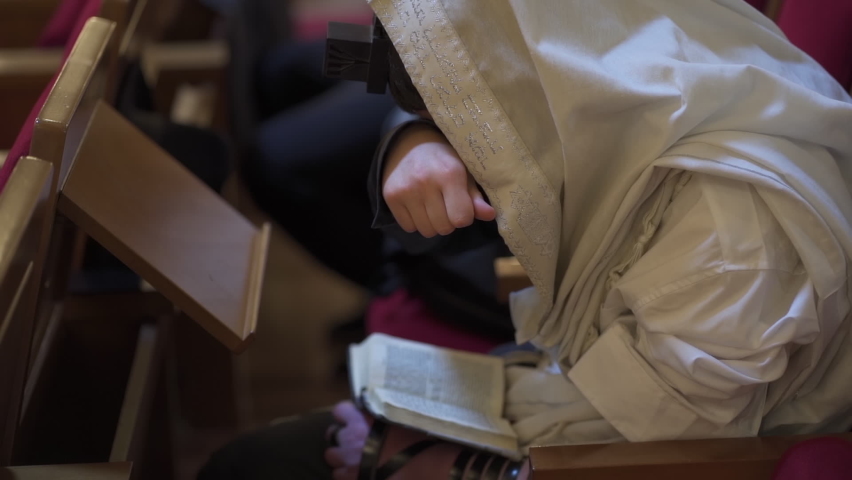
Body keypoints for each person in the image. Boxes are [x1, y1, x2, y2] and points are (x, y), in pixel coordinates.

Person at [199, 0, 852, 478]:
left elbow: (670, 445)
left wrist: (447, 463)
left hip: (654, 448)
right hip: (600, 395)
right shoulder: (635, 80)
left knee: (249, 466)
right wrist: (417, 131)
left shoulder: (729, 237)